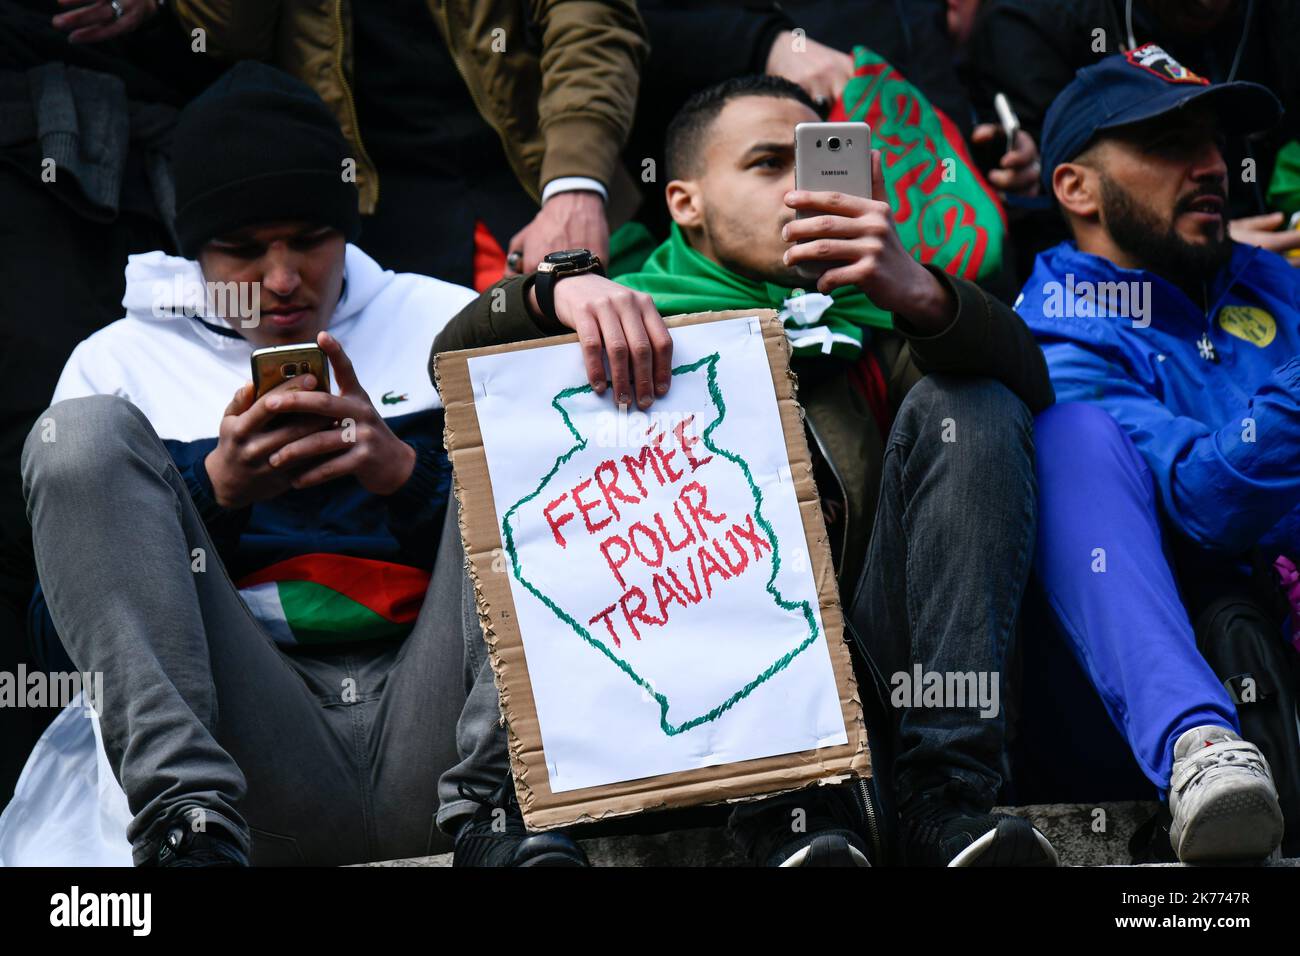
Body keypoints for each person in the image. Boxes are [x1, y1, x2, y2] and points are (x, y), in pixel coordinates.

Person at [18, 62, 658, 868]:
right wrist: (213, 492)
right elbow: (63, 648)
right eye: (242, 250)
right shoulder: (118, 361)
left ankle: (504, 809)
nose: (283, 279)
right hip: (254, 773)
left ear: (348, 229)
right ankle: (187, 827)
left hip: (445, 749)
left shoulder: (434, 314)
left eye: (311, 239)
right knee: (77, 434)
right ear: (192, 247)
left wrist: (403, 474)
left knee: (525, 403)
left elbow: (579, 535)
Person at [431, 75, 1061, 867]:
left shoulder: (881, 320)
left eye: (821, 161)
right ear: (685, 202)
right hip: (656, 705)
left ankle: (946, 802)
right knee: (521, 415)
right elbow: (454, 371)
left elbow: (1029, 390)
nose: (802, 190)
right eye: (768, 164)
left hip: (871, 707)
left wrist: (921, 293)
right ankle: (499, 811)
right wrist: (546, 294)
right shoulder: (620, 318)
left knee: (974, 406)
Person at [1018, 50, 1292, 861]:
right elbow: (1204, 506)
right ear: (1076, 189)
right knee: (1068, 435)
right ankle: (1199, 749)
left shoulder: (1270, 281)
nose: (1212, 166)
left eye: (1214, 144)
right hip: (1135, 704)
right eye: (1171, 145)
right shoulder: (1055, 326)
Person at [169, 0, 647, 289]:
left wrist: (575, 184)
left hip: (546, 185)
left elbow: (591, 18)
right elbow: (225, 34)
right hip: (363, 223)